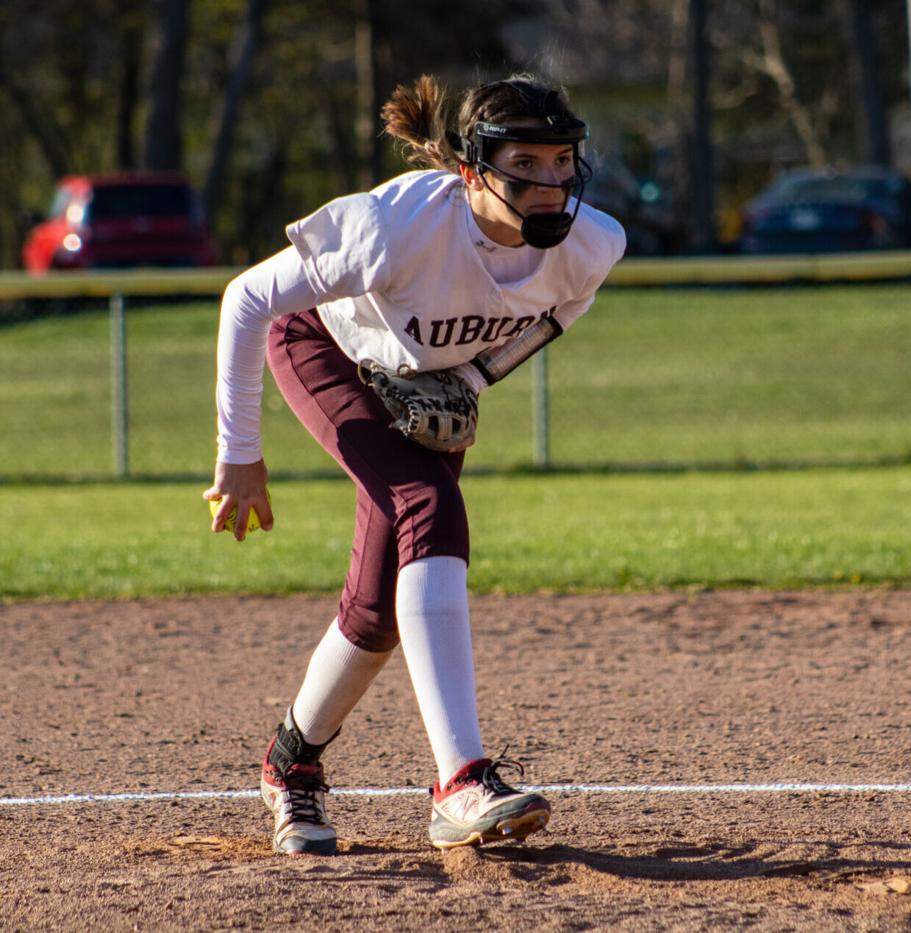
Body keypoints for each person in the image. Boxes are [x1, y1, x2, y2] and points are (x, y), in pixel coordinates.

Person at [202, 73, 626, 855]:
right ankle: (460, 780)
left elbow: (556, 315)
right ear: (471, 173)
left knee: (373, 609)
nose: (549, 183)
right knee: (428, 504)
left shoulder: (593, 245)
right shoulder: (395, 228)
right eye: (525, 165)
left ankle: (290, 765)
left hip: (419, 382)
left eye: (561, 162)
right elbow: (246, 298)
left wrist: (465, 381)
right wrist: (240, 455)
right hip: (321, 343)